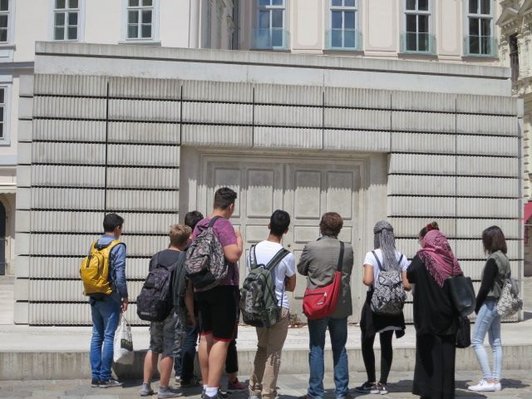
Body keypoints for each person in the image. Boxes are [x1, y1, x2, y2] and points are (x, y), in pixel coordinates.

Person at [193, 187, 243, 399]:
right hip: (223, 288)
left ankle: (207, 386)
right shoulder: (225, 225)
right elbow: (233, 255)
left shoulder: (200, 224)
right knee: (223, 339)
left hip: (201, 287)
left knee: (205, 337)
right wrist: (239, 240)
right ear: (230, 206)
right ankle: (212, 391)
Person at [297, 212, 354, 399]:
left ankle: (315, 392)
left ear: (321, 226)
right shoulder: (347, 248)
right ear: (339, 228)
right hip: (340, 304)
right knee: (340, 348)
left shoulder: (312, 246)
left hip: (318, 304)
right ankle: (341, 392)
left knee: (316, 347)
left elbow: (301, 269)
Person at [407, 222, 461, 399]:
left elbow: (410, 274)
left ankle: (430, 392)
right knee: (447, 355)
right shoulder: (450, 258)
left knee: (430, 355)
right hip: (449, 315)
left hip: (428, 315)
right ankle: (446, 393)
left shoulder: (422, 257)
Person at [355, 221, 410, 395]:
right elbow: (407, 285)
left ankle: (371, 381)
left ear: (376, 236)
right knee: (387, 343)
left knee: (367, 341)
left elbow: (368, 280)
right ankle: (383, 383)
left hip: (374, 303)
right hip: (393, 306)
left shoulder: (371, 255)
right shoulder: (400, 256)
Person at [140, 224, 192, 398]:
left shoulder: (156, 257)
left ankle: (146, 386)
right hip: (173, 310)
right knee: (169, 350)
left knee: (153, 346)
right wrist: (192, 315)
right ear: (185, 241)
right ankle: (163, 388)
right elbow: (187, 294)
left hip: (155, 307)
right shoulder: (184, 260)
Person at [248, 210, 297, 399]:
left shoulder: (253, 251)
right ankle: (268, 393)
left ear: (269, 225)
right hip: (278, 308)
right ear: (285, 230)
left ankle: (254, 388)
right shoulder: (287, 255)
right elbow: (292, 286)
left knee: (261, 346)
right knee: (274, 351)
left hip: (258, 307)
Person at [89, 213, 128, 388]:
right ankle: (105, 377)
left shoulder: (95, 244)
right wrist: (125, 296)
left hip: (94, 294)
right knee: (108, 336)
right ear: (117, 228)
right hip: (110, 295)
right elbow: (119, 275)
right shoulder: (117, 246)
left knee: (97, 336)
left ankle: (96, 376)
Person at [468, 226, 508, 392]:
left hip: (489, 302)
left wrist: (476, 305)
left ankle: (488, 379)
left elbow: (485, 287)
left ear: (490, 240)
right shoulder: (504, 258)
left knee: (476, 340)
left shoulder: (492, 259)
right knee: (496, 342)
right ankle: (496, 380)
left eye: (485, 240)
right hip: (498, 304)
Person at [174, 211, 204, 387]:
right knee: (191, 337)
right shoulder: (195, 247)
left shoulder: (180, 246)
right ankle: (186, 374)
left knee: (182, 336)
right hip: (192, 299)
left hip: (179, 300)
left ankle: (179, 371)